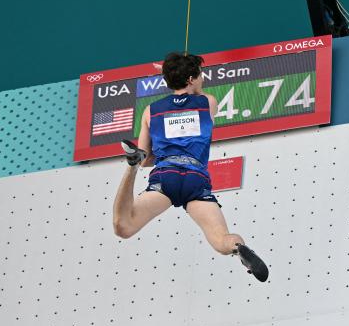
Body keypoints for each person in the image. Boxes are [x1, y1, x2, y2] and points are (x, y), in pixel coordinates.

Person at [111, 52, 269, 281]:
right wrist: (178, 72)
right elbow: (195, 95)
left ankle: (130, 167)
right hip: (197, 179)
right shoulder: (208, 102)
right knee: (221, 240)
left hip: (165, 177)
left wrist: (172, 73)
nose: (203, 78)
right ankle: (238, 248)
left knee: (123, 227)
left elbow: (147, 158)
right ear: (191, 79)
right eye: (200, 75)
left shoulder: (151, 110)